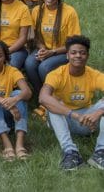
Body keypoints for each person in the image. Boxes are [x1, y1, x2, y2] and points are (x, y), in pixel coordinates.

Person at [39, 35, 104, 171]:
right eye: (74, 52)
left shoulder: (94, 74)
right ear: (67, 55)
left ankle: (100, 153)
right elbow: (43, 98)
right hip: (65, 119)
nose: (78, 56)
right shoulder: (56, 74)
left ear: (87, 56)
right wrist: (74, 115)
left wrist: (98, 113)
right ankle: (71, 154)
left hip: (88, 119)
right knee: (53, 105)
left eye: (82, 53)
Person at [25, 0, 81, 95]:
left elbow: (74, 43)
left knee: (44, 67)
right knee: (29, 64)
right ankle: (41, 93)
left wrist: (52, 52)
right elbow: (35, 36)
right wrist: (43, 48)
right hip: (44, 48)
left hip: (63, 51)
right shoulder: (37, 11)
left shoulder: (69, 12)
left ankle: (53, 95)